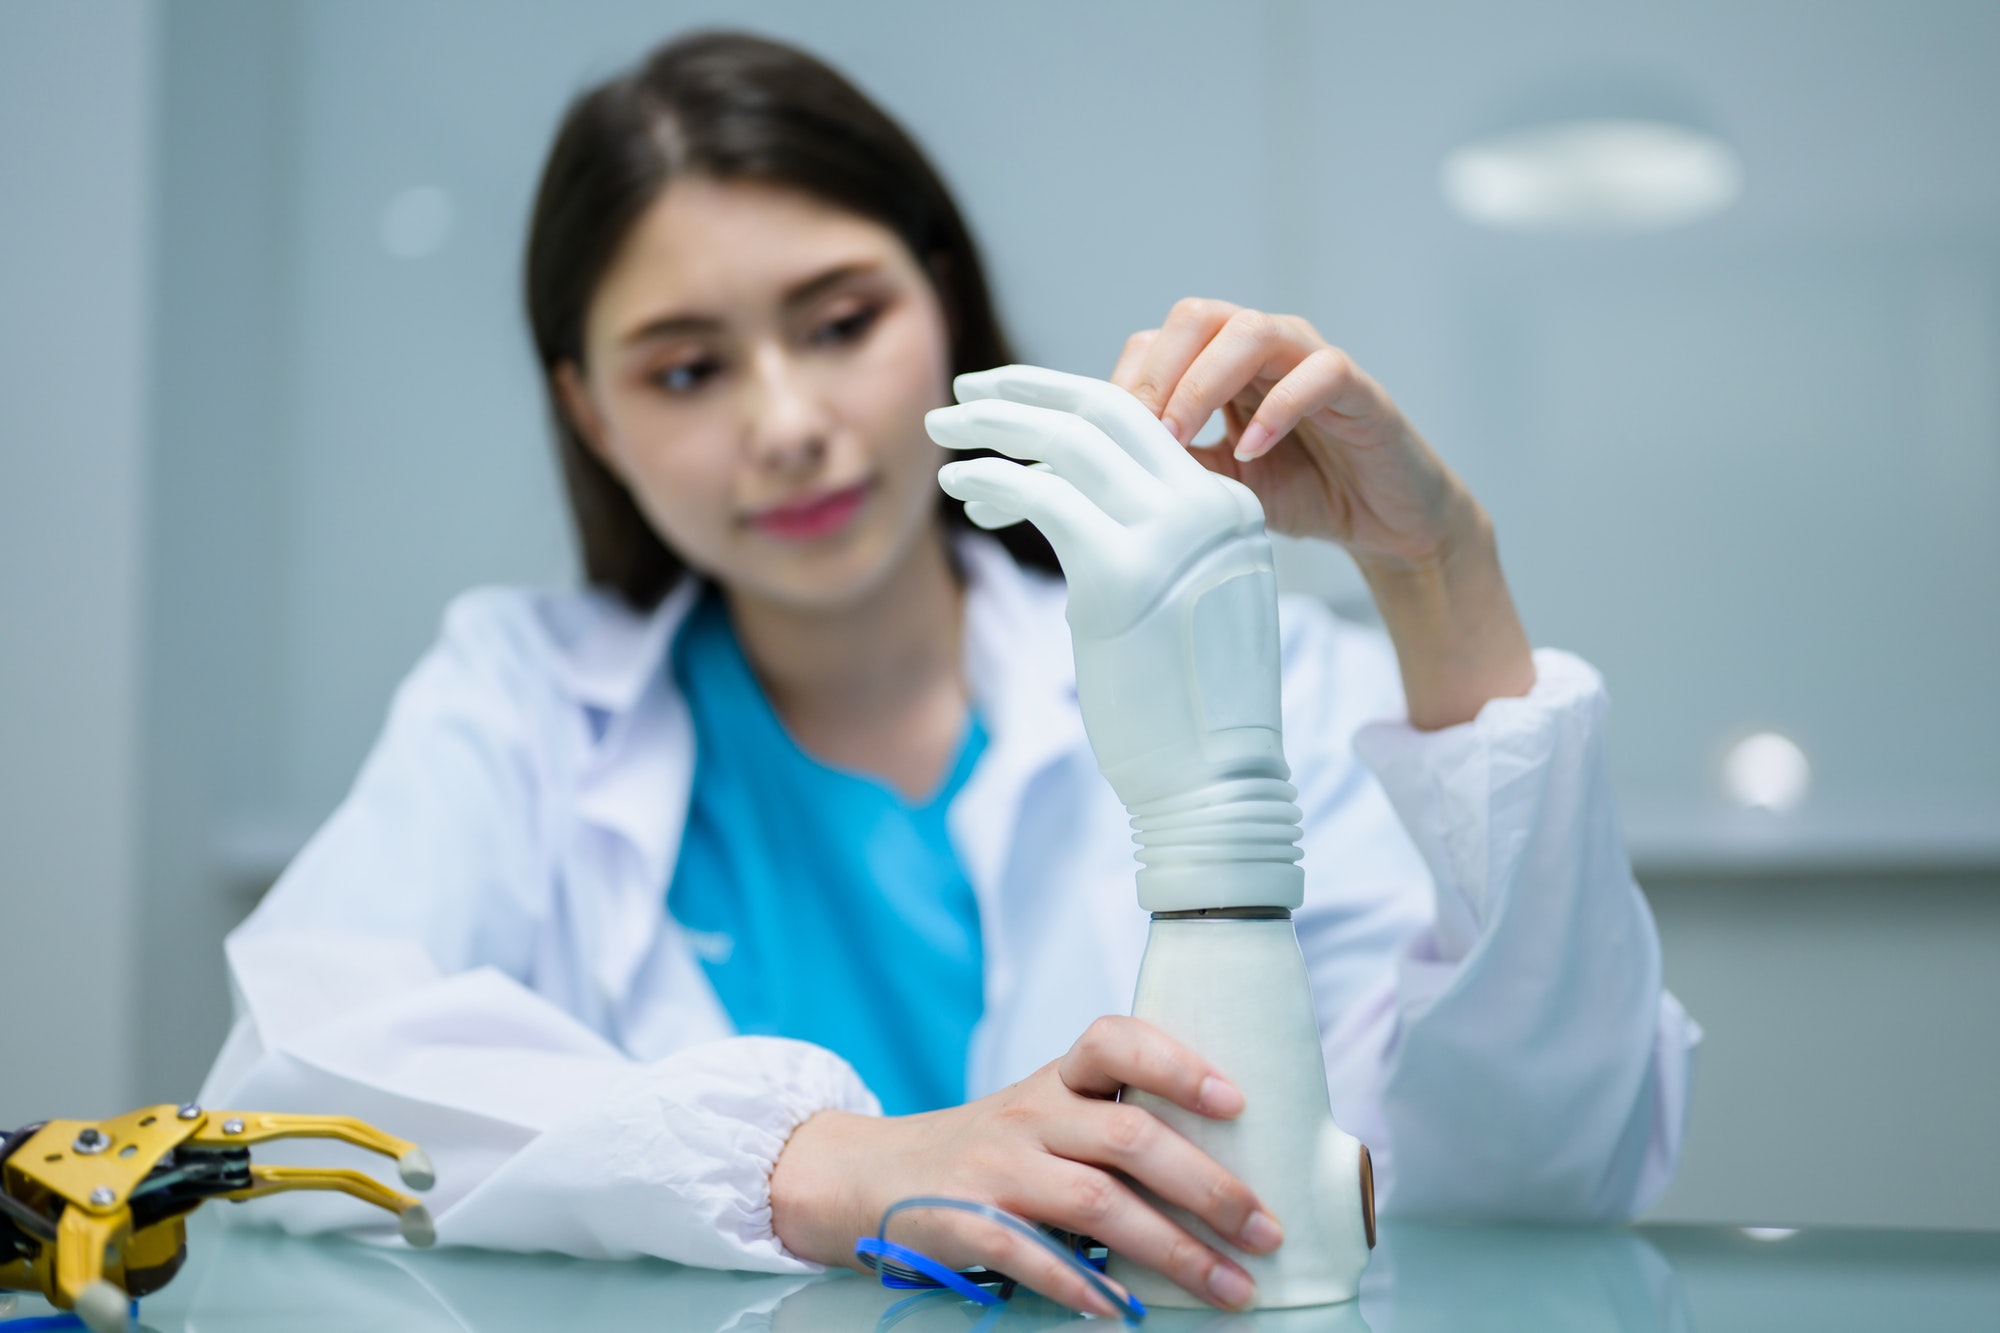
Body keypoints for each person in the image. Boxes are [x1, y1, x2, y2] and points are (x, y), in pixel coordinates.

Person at [201, 30, 1699, 1317]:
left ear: (942, 300)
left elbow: (1544, 1174)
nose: (786, 421)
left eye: (841, 323)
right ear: (588, 413)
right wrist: (821, 1162)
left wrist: (1444, 574)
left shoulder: (1258, 676)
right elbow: (282, 1081)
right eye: (683, 369)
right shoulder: (520, 697)